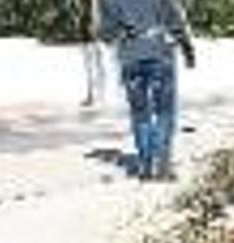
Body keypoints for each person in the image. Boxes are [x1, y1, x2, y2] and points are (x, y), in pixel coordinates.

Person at [98, 0, 195, 180]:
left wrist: (125, 33)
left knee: (140, 114)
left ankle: (146, 164)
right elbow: (175, 18)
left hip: (130, 57)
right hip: (159, 52)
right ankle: (161, 165)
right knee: (164, 111)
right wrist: (187, 47)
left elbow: (105, 34)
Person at [79, 0, 106, 108]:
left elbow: (96, 15)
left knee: (97, 66)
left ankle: (98, 95)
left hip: (94, 37)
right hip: (88, 37)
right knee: (91, 67)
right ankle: (93, 94)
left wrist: (96, 29)